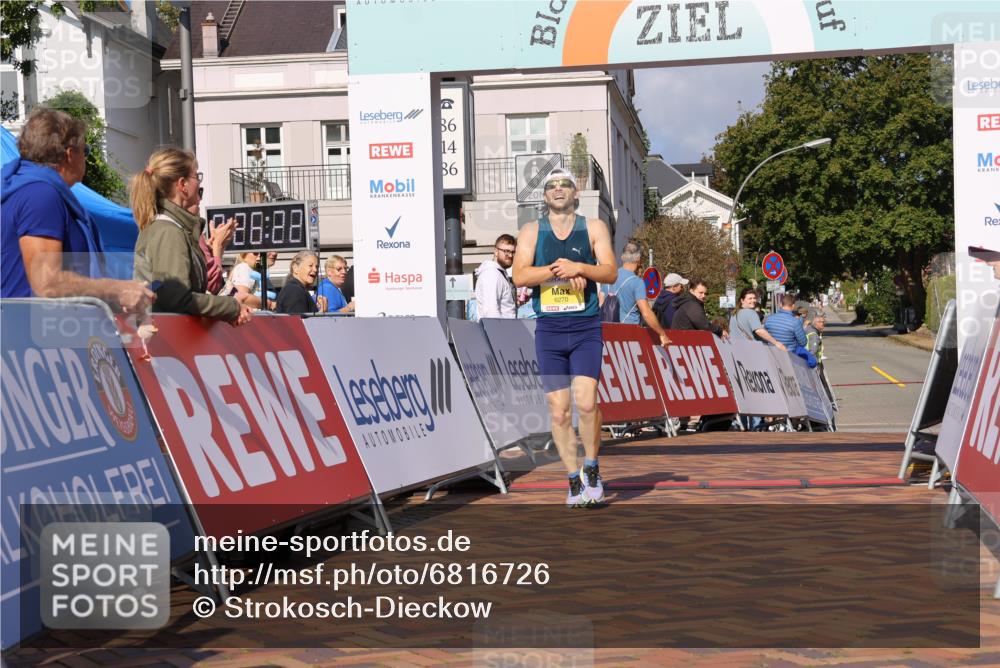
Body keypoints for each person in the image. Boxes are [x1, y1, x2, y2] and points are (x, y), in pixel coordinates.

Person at [512, 169, 617, 507]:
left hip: (585, 328)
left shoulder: (594, 227)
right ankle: (573, 480)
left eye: (565, 185)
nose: (558, 190)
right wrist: (560, 269)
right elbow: (519, 276)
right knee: (559, 412)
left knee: (587, 403)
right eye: (551, 186)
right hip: (550, 330)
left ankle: (592, 466)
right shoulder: (531, 231)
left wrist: (581, 268)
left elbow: (610, 271)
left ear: (576, 193)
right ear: (545, 197)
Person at [1, 107, 152, 312]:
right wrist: (117, 289)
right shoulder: (40, 195)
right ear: (70, 154)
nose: (86, 159)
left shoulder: (30, 189)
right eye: (86, 151)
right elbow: (47, 282)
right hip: (35, 337)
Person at [131, 147, 250, 324]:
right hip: (167, 340)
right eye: (196, 176)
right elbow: (177, 299)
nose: (199, 184)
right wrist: (230, 307)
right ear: (182, 185)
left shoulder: (169, 228)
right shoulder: (169, 232)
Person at [601, 241, 670, 345]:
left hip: (606, 334)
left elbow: (600, 303)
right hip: (629, 335)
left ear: (622, 257)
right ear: (638, 260)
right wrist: (662, 334)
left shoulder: (609, 276)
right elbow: (646, 313)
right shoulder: (637, 282)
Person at [475, 234, 518, 318]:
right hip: (498, 330)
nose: (510, 255)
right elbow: (491, 312)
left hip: (504, 329)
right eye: (506, 251)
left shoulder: (498, 273)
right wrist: (498, 331)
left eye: (513, 252)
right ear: (495, 252)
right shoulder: (492, 274)